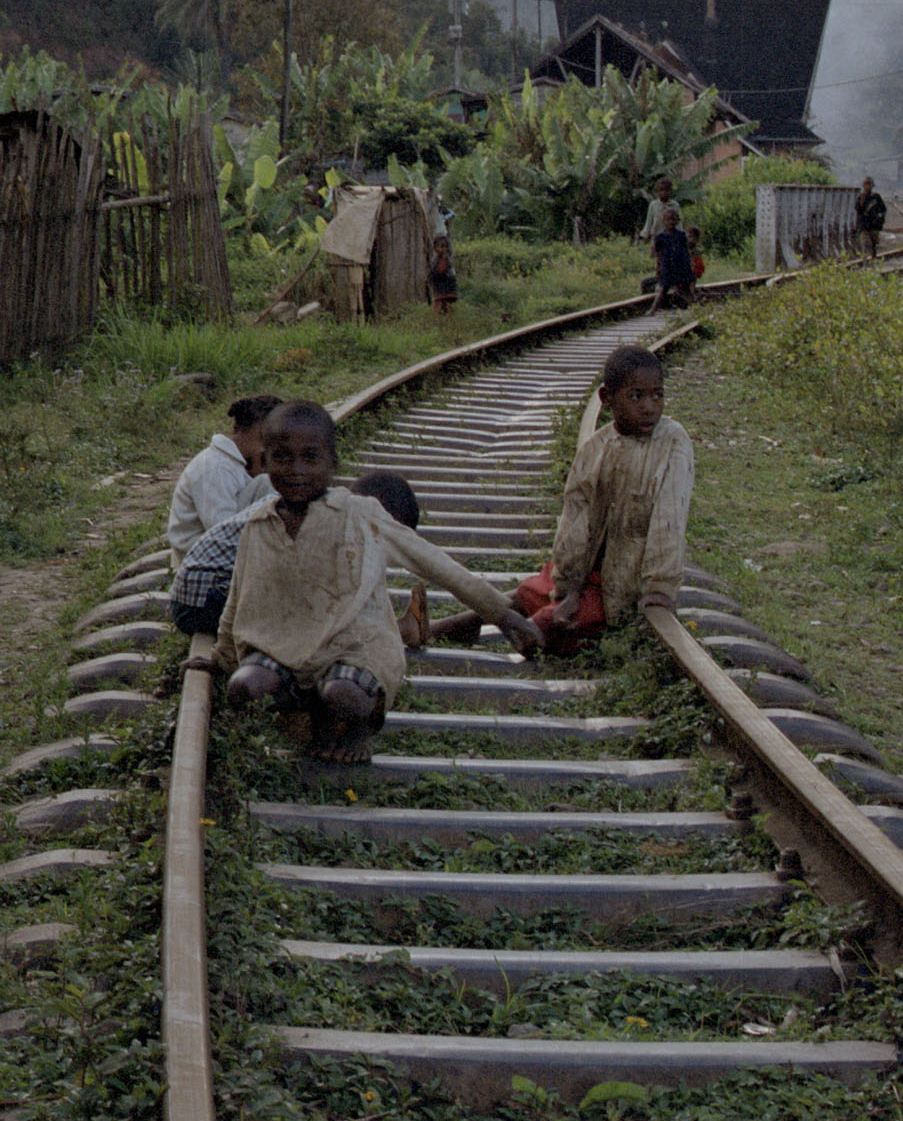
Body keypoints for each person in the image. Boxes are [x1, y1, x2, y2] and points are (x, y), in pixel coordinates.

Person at [213, 401, 542, 761]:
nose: (296, 470)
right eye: (282, 458)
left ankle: (359, 727)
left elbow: (435, 563)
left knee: (344, 694)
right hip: (283, 649)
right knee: (245, 687)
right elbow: (238, 596)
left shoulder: (360, 514)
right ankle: (308, 718)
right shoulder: (260, 525)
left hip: (352, 649)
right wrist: (220, 656)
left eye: (310, 458)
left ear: (332, 463)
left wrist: (503, 615)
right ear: (264, 461)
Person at [434, 344, 693, 658]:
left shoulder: (672, 443)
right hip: (585, 573)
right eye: (636, 396)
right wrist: (569, 588)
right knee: (534, 590)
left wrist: (659, 590)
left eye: (658, 395)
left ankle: (520, 631)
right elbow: (574, 520)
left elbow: (670, 520)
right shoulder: (596, 447)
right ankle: (462, 622)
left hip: (624, 581)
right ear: (607, 399)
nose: (650, 407)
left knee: (551, 621)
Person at [171, 467, 426, 643]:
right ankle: (399, 632)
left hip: (207, 591)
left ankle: (397, 630)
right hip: (204, 597)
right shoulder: (323, 520)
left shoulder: (322, 504)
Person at [167, 395, 281, 568]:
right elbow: (220, 530)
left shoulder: (237, 462)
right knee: (267, 484)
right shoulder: (216, 467)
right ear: (254, 429)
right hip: (199, 558)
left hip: (217, 546)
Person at [652, 205, 694, 309]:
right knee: (663, 288)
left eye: (674, 219)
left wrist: (689, 264)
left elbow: (686, 251)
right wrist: (658, 267)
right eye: (668, 219)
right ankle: (653, 309)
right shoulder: (660, 237)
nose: (671, 222)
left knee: (686, 288)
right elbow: (658, 254)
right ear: (664, 221)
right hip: (667, 266)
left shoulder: (681, 235)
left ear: (677, 221)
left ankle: (693, 306)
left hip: (681, 266)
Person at [854, 176, 887, 260]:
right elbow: (857, 210)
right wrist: (861, 203)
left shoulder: (876, 197)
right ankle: (864, 259)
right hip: (864, 224)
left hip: (874, 223)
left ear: (872, 185)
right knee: (863, 242)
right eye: (866, 184)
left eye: (869, 184)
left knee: (874, 242)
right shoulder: (861, 197)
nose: (867, 186)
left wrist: (880, 217)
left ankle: (873, 256)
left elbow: (883, 209)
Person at [428, 235, 459, 314]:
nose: (444, 249)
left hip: (445, 291)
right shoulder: (437, 260)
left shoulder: (445, 260)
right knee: (442, 311)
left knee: (442, 311)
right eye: (442, 247)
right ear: (435, 248)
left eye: (446, 247)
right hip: (440, 290)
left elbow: (440, 271)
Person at [685, 223, 706, 291]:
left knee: (692, 278)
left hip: (691, 273)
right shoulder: (682, 248)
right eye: (689, 237)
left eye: (694, 238)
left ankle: (691, 292)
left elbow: (700, 267)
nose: (691, 239)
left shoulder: (696, 251)